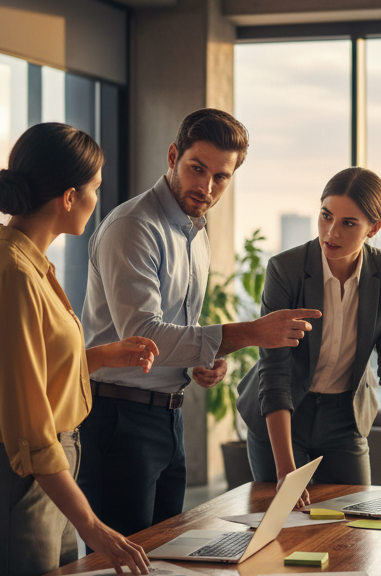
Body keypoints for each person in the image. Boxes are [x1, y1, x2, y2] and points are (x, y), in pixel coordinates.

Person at [79, 108, 319, 538]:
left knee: (165, 555)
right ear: (173, 155)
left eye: (221, 177)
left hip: (168, 418)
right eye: (197, 168)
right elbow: (145, 337)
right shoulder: (134, 227)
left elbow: (177, 330)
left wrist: (202, 362)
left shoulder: (195, 233)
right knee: (119, 561)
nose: (206, 187)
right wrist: (250, 333)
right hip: (117, 421)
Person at [0, 123, 155, 576]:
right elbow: (30, 424)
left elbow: (30, 371)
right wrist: (92, 525)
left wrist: (101, 357)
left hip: (42, 480)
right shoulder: (14, 276)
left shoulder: (27, 264)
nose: (97, 202)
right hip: (13, 483)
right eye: (95, 189)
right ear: (67, 197)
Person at [236, 167, 381, 507]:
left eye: (349, 223)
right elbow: (274, 371)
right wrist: (286, 468)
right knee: (282, 527)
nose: (331, 232)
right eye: (326, 216)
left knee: (355, 528)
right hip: (282, 412)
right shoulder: (285, 270)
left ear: (373, 229)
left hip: (345, 417)